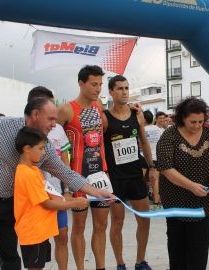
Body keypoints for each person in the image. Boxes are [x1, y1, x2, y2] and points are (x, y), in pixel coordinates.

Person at [0, 97, 114, 270]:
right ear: (36, 114)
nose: (55, 124)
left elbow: (65, 172)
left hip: (11, 203)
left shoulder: (45, 147)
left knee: (10, 253)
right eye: (51, 119)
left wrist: (96, 192)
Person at [157, 97, 209, 270]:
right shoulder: (169, 135)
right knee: (177, 244)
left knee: (199, 246)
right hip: (175, 198)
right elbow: (165, 167)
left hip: (202, 201)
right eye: (193, 121)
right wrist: (191, 185)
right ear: (182, 118)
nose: (197, 125)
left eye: (201, 121)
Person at [13, 126, 88, 270]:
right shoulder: (26, 174)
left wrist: (70, 199)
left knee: (39, 265)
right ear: (27, 149)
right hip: (33, 233)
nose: (44, 152)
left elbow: (49, 195)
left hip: (40, 231)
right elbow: (46, 203)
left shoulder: (33, 170)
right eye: (41, 148)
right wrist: (75, 204)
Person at [58, 65, 110, 270]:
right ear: (81, 84)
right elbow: (52, 137)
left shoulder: (99, 106)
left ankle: (101, 266)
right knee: (78, 226)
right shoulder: (67, 109)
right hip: (78, 176)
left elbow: (105, 126)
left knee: (101, 225)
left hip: (101, 173)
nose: (98, 89)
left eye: (100, 85)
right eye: (93, 84)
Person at [103, 75, 155, 270]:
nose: (124, 92)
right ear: (111, 92)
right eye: (120, 89)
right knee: (117, 222)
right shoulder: (104, 117)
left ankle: (141, 261)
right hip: (116, 178)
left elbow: (144, 142)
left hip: (135, 175)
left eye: (126, 88)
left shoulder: (137, 115)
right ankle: (120, 263)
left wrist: (151, 167)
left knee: (144, 219)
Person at [28, 86, 71, 270]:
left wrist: (68, 189)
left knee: (62, 236)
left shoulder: (58, 129)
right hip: (37, 198)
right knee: (38, 244)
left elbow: (64, 159)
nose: (53, 119)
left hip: (57, 193)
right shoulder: (24, 133)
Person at [143, 110, 163, 205]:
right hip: (156, 158)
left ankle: (142, 200)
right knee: (155, 181)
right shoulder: (159, 130)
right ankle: (156, 200)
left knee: (141, 180)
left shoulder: (142, 130)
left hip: (143, 158)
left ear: (144, 119)